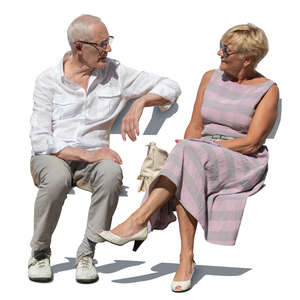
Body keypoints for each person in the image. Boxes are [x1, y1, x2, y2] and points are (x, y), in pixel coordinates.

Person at [98, 23, 280, 292]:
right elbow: (195, 127)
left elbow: (252, 142)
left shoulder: (268, 89)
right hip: (200, 152)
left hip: (241, 159)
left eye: (225, 50)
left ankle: (139, 221)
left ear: (247, 58)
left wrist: (201, 148)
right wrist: (192, 148)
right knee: (189, 157)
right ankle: (186, 259)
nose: (219, 54)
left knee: (190, 154)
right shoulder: (210, 77)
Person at [28, 14, 181, 283]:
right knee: (57, 179)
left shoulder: (115, 73)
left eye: (108, 41)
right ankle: (40, 253)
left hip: (96, 162)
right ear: (78, 47)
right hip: (54, 156)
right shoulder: (48, 80)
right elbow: (41, 141)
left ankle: (87, 252)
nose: (108, 49)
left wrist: (141, 101)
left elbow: (171, 86)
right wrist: (88, 154)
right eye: (100, 44)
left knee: (111, 173)